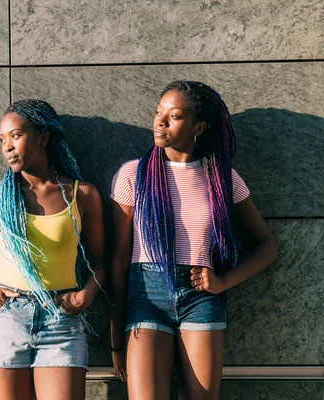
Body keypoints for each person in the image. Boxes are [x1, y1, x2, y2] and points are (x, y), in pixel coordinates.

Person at [110, 81, 278, 399]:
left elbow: (267, 246)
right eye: (158, 112)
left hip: (201, 299)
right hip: (146, 296)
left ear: (198, 127)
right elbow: (118, 259)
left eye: (174, 115)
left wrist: (223, 282)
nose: (161, 121)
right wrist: (116, 337)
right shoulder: (134, 175)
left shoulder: (222, 179)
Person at [0, 99, 105, 400]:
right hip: (7, 316)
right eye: (2, 139)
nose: (7, 146)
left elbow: (99, 262)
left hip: (61, 317)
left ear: (43, 137)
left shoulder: (82, 194)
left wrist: (87, 294)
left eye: (15, 135)